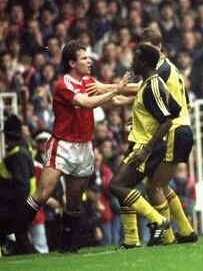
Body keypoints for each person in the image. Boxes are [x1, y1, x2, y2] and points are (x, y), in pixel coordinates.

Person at [19, 41, 131, 253]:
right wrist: (116, 87)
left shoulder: (88, 81)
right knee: (43, 194)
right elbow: (86, 103)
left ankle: (66, 246)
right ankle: (13, 235)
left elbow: (114, 101)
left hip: (84, 146)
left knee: (74, 202)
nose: (89, 61)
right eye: (84, 58)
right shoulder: (63, 84)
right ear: (72, 63)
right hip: (62, 145)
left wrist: (142, 98)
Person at [93, 28, 198, 245]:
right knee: (154, 185)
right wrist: (141, 116)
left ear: (155, 48)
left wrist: (109, 87)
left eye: (142, 49)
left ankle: (163, 231)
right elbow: (181, 103)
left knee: (149, 186)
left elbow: (160, 104)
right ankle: (181, 231)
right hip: (177, 128)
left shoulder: (159, 72)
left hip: (170, 132)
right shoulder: (171, 69)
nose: (134, 60)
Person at [109, 44, 178, 248]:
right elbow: (174, 108)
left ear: (145, 62)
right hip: (140, 142)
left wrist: (147, 148)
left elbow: (167, 120)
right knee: (124, 188)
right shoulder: (150, 84)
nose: (132, 62)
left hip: (145, 146)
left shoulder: (152, 86)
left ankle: (158, 221)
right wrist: (140, 119)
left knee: (116, 186)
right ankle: (131, 239)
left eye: (135, 59)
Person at [0, 114, 35, 255]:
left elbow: (21, 186)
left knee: (19, 239)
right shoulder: (23, 150)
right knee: (19, 238)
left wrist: (18, 210)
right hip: (20, 205)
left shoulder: (17, 155)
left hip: (15, 206)